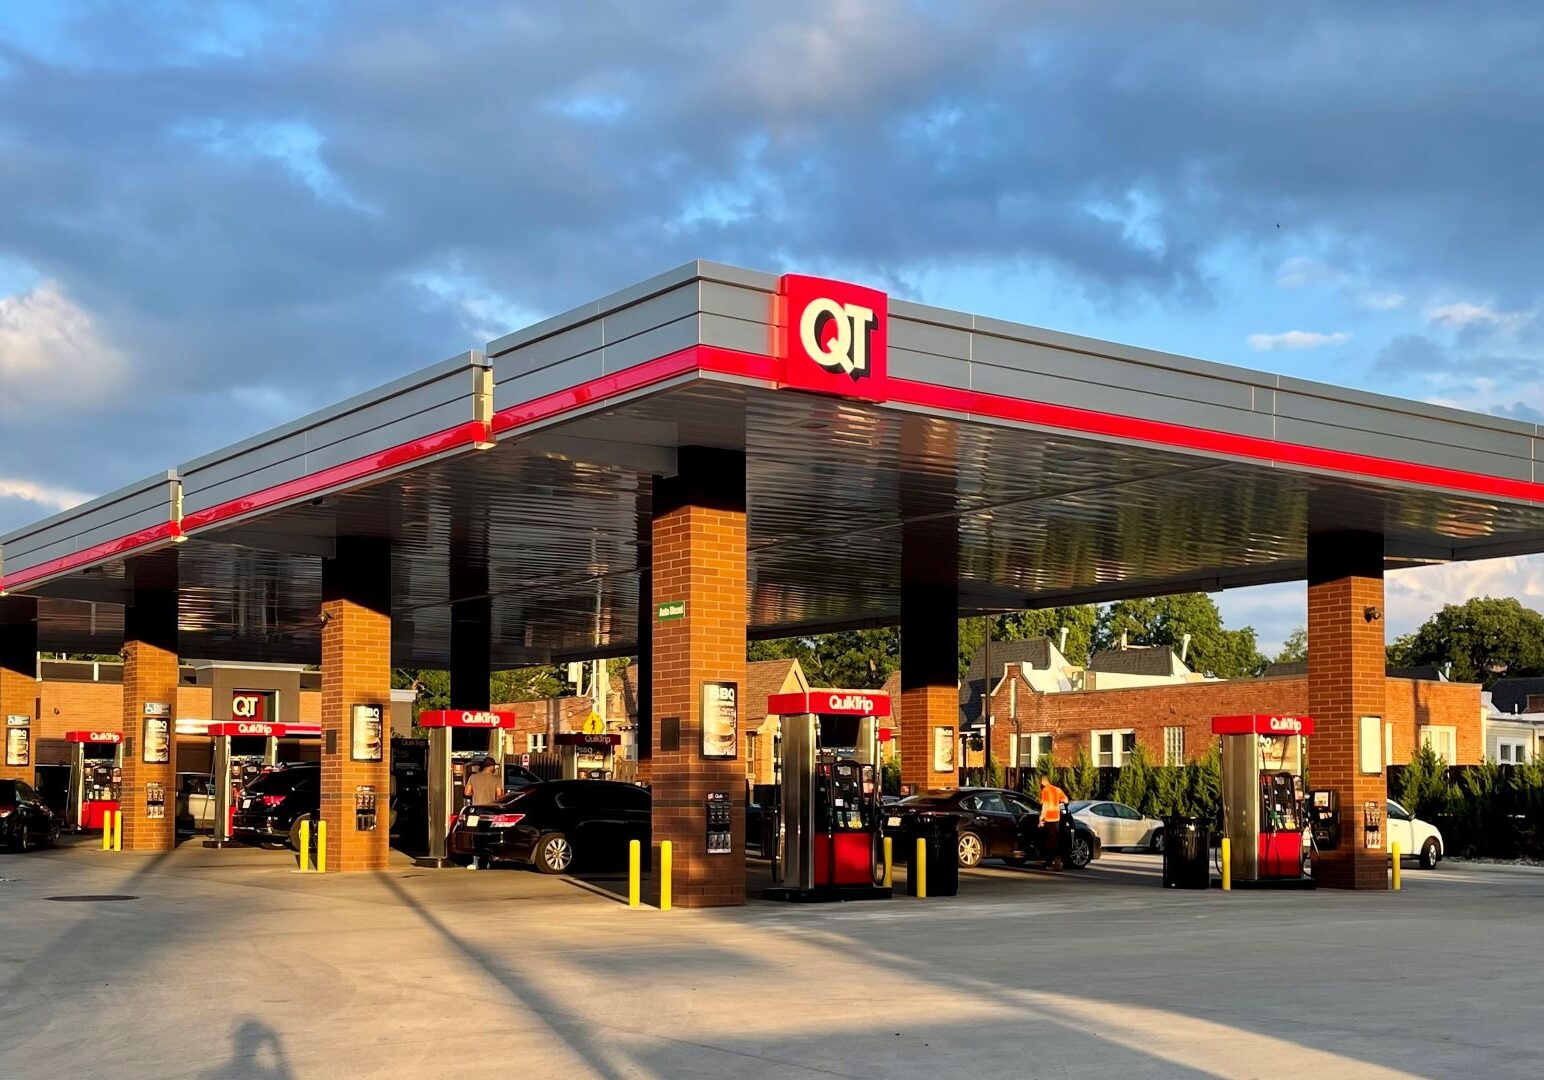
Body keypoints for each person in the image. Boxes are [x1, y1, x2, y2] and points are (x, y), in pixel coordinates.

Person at [463, 757, 504, 870]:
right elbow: (499, 795)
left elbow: (467, 792)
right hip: (489, 811)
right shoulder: (497, 779)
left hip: (475, 810)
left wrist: (476, 793)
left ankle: (474, 861)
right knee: (488, 836)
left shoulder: (473, 777)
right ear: (491, 767)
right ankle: (488, 860)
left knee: (474, 836)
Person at [1038, 774, 1069, 871]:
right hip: (1057, 818)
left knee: (1050, 842)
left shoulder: (1045, 790)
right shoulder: (1057, 789)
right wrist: (1058, 804)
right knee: (1055, 840)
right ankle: (1058, 862)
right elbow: (1066, 800)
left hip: (1049, 818)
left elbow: (1045, 806)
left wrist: (1041, 818)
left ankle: (1050, 863)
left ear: (1043, 781)